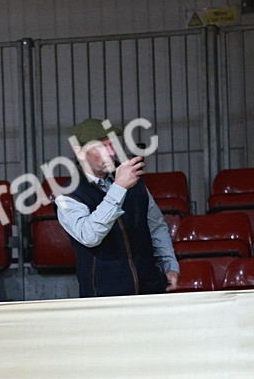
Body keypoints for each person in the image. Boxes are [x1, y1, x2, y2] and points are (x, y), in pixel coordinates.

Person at [56, 118, 179, 297]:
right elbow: (90, 236)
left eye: (112, 145)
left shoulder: (134, 181)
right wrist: (119, 188)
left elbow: (156, 226)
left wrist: (170, 266)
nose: (111, 152)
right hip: (105, 299)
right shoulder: (68, 197)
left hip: (151, 291)